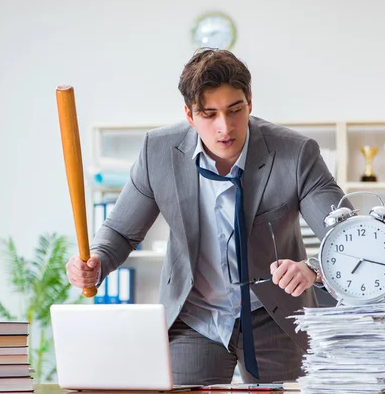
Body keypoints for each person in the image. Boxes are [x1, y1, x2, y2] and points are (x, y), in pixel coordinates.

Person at [66, 48, 349, 385]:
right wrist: (96, 260)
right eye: (209, 114)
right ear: (189, 114)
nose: (224, 127)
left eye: (235, 110)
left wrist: (312, 268)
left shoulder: (296, 153)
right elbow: (122, 232)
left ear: (250, 103)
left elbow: (348, 238)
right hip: (195, 317)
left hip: (274, 316)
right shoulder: (157, 152)